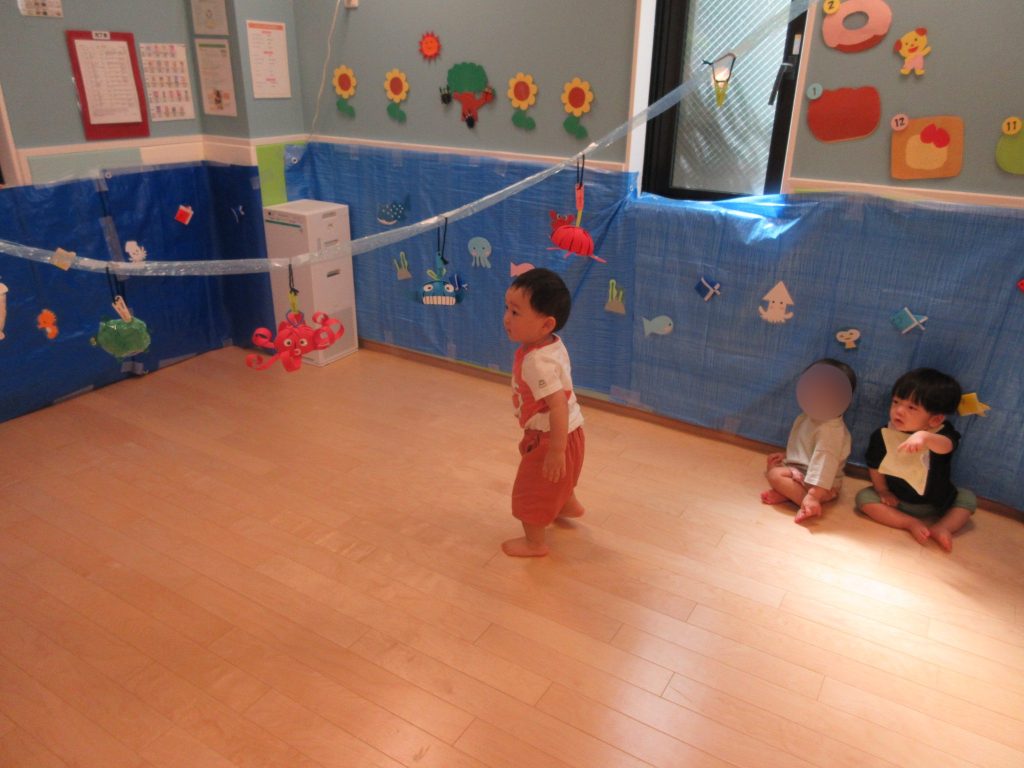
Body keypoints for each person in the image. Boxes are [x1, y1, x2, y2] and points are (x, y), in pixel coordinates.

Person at [502, 268, 585, 557]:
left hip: (552, 436)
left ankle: (534, 543)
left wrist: (555, 450)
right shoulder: (552, 344)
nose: (506, 318)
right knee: (559, 476)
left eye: (516, 312)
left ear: (546, 324)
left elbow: (557, 405)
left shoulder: (536, 362)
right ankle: (566, 504)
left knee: (531, 491)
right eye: (507, 308)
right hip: (573, 431)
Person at [855, 368, 975, 551]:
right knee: (863, 498)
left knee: (967, 498)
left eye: (911, 407)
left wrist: (924, 437)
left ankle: (943, 527)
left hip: (938, 501)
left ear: (935, 420)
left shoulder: (940, 433)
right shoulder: (883, 434)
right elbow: (874, 465)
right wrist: (883, 490)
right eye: (896, 402)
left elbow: (947, 446)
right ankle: (908, 522)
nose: (898, 411)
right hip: (897, 500)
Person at [761, 359, 856, 523]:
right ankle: (790, 494)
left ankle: (807, 502)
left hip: (822, 483)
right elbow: (805, 445)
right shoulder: (809, 416)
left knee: (774, 475)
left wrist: (814, 495)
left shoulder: (830, 432)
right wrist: (788, 455)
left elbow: (824, 466)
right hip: (804, 471)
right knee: (772, 465)